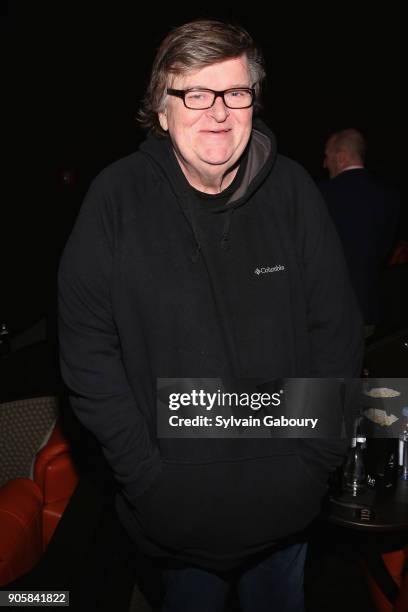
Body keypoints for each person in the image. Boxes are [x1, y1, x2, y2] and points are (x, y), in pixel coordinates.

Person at [58, 20, 363, 612]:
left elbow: (338, 336)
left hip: (287, 516)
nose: (218, 111)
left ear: (254, 100)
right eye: (195, 93)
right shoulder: (115, 201)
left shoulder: (296, 193)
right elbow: (86, 353)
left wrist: (312, 465)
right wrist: (147, 478)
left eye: (235, 92)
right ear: (162, 110)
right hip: (174, 525)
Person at [320, 128, 400, 337]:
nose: (324, 164)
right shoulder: (388, 196)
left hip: (329, 312)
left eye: (327, 156)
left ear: (342, 157)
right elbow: (384, 250)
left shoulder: (321, 196)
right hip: (369, 307)